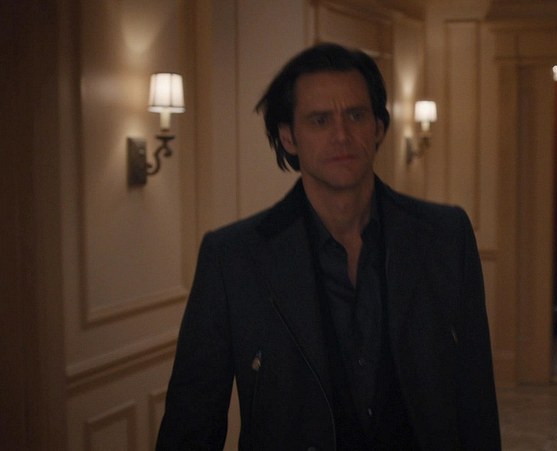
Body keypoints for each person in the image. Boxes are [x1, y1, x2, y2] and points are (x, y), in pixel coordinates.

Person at [156, 42, 500, 450]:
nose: (341, 135)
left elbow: (475, 398)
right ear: (289, 137)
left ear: (378, 127)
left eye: (355, 115)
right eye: (320, 120)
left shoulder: (444, 236)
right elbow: (192, 422)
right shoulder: (233, 258)